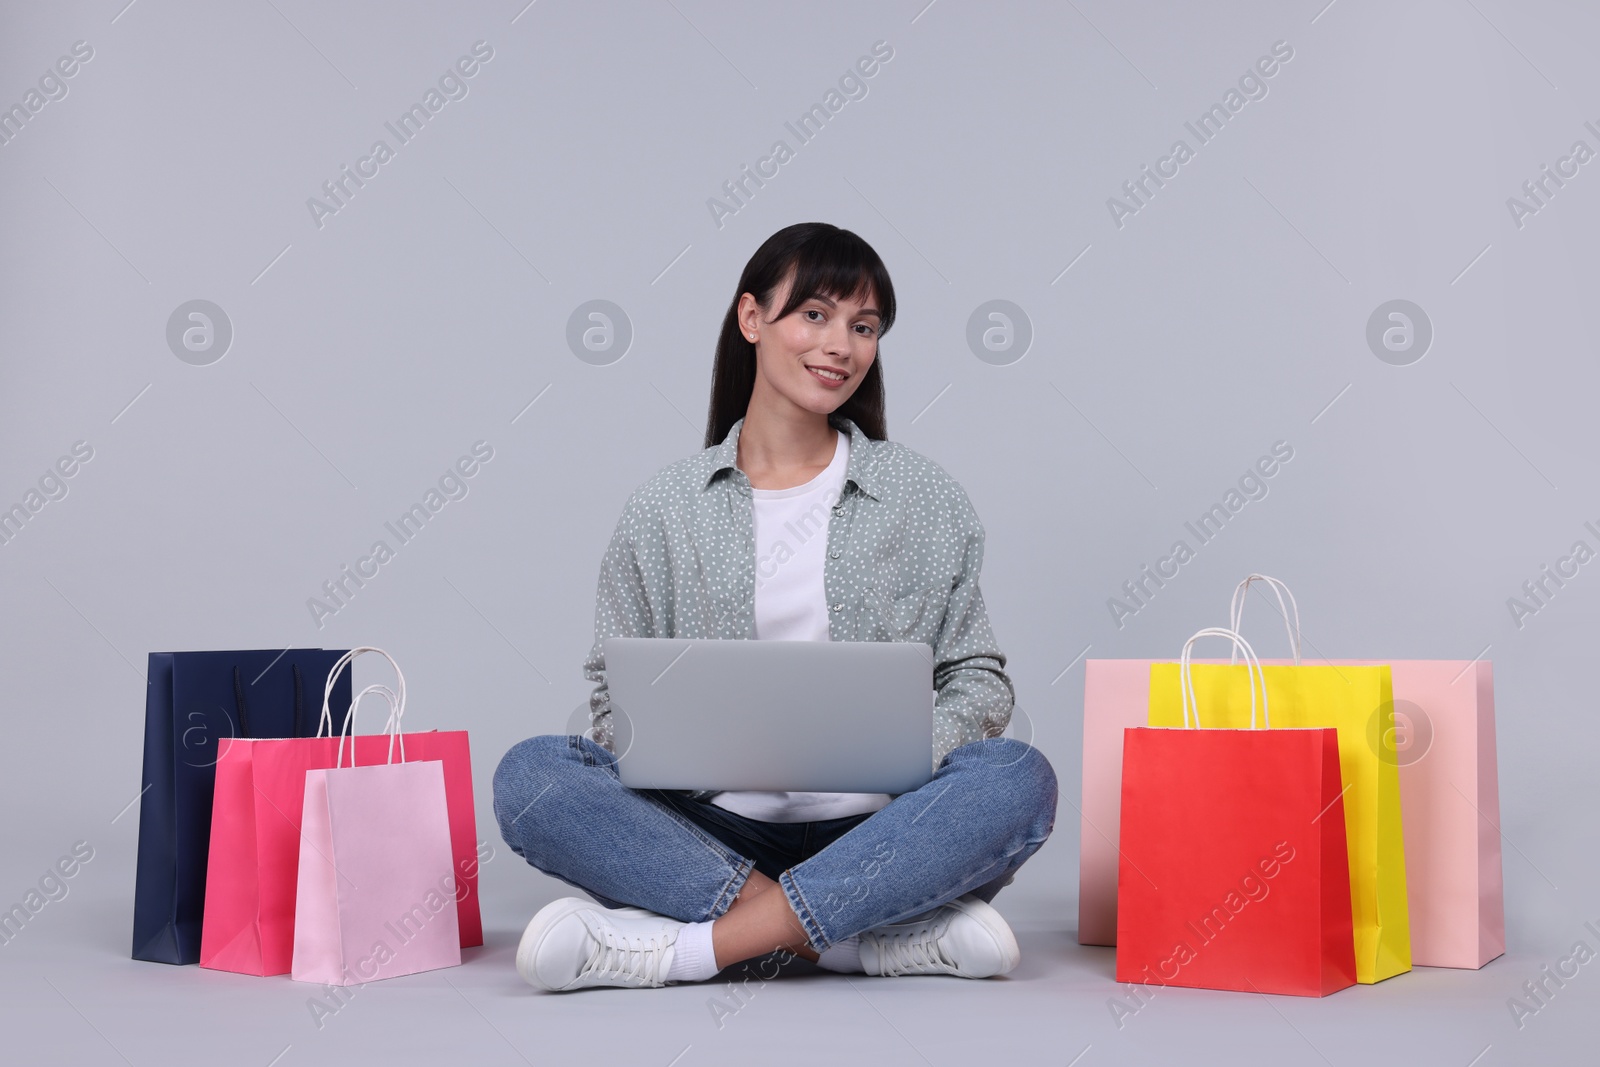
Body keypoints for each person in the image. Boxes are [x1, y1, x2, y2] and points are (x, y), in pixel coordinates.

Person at [492, 222, 1057, 992]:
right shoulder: (665, 507)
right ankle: (860, 939)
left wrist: (900, 755)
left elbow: (978, 679)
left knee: (1018, 776)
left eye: (864, 327)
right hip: (710, 830)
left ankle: (690, 950)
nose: (842, 346)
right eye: (816, 315)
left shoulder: (922, 496)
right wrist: (669, 748)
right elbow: (610, 696)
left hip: (882, 828)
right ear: (752, 318)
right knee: (532, 777)